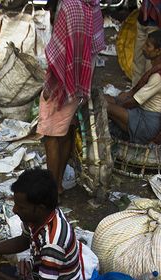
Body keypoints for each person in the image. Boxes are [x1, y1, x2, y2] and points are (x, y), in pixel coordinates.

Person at [40, 0, 105, 194]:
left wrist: (50, 86)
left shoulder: (69, 7)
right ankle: (58, 184)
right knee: (68, 129)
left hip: (62, 82)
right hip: (81, 80)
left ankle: (52, 191)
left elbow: (59, 51)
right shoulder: (93, 6)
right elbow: (95, 46)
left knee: (51, 135)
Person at [106, 29, 161, 144]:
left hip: (148, 124)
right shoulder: (159, 69)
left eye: (148, 46)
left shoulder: (159, 76)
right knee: (106, 99)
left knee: (106, 106)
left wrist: (118, 105)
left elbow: (134, 102)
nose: (143, 48)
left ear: (158, 51)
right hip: (143, 114)